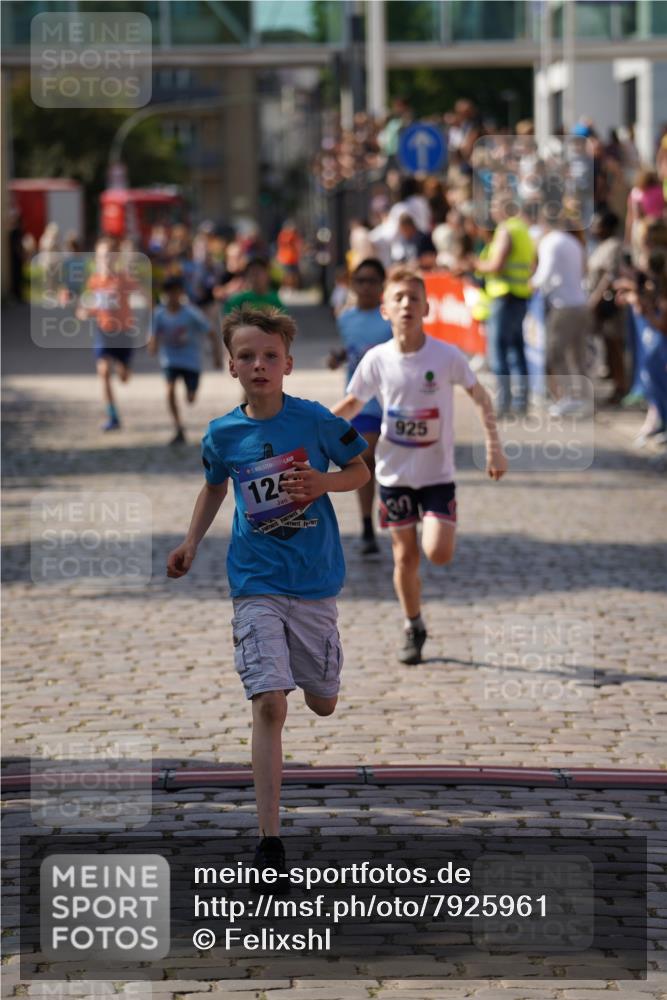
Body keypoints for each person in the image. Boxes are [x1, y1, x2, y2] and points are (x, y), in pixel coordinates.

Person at [166, 305, 369, 871]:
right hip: (254, 580)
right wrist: (190, 543)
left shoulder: (314, 420)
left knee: (322, 704)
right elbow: (212, 489)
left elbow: (361, 471)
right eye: (248, 356)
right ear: (231, 366)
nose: (260, 365)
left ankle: (316, 678)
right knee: (271, 706)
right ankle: (270, 839)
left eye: (270, 356)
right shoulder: (222, 434)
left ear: (288, 364)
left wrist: (324, 481)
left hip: (314, 582)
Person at [332, 267, 507, 665]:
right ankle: (413, 625)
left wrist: (494, 447)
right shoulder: (377, 359)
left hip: (436, 475)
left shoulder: (445, 356)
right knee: (404, 558)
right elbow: (352, 404)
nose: (407, 304)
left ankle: (417, 608)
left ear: (427, 307)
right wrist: (312, 430)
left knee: (438, 552)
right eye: (399, 299)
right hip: (393, 476)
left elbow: (480, 397)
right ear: (384, 310)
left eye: (414, 298)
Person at [327, 259, 393, 555]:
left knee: (387, 462)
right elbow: (351, 350)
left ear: (382, 285)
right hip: (361, 402)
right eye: (360, 281)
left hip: (393, 402)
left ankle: (393, 510)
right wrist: (338, 358)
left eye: (371, 281)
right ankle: (367, 523)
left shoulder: (390, 319)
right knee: (365, 456)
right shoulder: (346, 318)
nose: (365, 286)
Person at [474, 197, 536, 416]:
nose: (491, 212)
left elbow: (496, 265)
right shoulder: (524, 230)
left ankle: (503, 403)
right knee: (517, 350)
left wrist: (477, 264)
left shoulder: (506, 229)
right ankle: (521, 404)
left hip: (504, 295)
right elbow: (532, 264)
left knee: (499, 351)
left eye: (494, 206)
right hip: (519, 296)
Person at [77, 238, 143, 432]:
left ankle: (125, 367)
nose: (104, 260)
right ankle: (113, 416)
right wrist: (83, 311)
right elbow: (88, 303)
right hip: (103, 332)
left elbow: (144, 293)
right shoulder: (95, 280)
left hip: (123, 333)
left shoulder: (123, 278)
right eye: (101, 256)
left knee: (123, 377)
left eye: (108, 256)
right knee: (104, 371)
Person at [148, 275, 222, 445]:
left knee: (190, 398)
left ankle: (191, 392)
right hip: (170, 359)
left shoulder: (191, 313)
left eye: (175, 292)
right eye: (168, 293)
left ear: (181, 293)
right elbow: (154, 333)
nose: (172, 297)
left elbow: (211, 332)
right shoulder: (159, 314)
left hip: (191, 361)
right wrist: (153, 345)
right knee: (169, 389)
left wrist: (218, 355)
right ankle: (178, 426)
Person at [530, 214, 591, 416]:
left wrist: (530, 285)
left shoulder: (550, 242)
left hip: (563, 305)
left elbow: (544, 274)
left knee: (556, 352)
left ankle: (568, 397)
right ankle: (582, 399)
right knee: (577, 354)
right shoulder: (574, 242)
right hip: (579, 303)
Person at [587, 212, 627, 405]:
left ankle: (621, 386)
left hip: (610, 306)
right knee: (608, 347)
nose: (594, 228)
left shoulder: (614, 246)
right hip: (600, 307)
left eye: (598, 224)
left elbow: (610, 276)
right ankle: (615, 386)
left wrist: (595, 299)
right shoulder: (600, 246)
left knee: (615, 346)